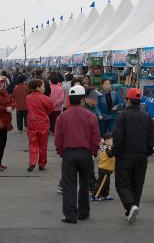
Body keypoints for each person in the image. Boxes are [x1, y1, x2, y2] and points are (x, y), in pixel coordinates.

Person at [54, 85, 100, 224]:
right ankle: (83, 212)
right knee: (85, 184)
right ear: (82, 99)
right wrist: (92, 151)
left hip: (68, 154)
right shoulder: (90, 115)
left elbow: (58, 138)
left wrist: (61, 152)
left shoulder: (62, 116)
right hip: (85, 153)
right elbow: (95, 137)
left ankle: (70, 215)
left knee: (69, 185)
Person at [112, 88, 154, 224]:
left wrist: (116, 152)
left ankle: (130, 206)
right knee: (137, 184)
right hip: (142, 156)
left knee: (122, 184)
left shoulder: (123, 116)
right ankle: (131, 209)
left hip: (125, 155)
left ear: (128, 100)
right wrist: (148, 151)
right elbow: (152, 137)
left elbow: (118, 136)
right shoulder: (147, 116)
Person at [26, 79, 53, 171]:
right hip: (43, 124)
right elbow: (50, 110)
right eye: (43, 86)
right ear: (38, 87)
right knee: (43, 145)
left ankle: (32, 162)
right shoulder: (45, 98)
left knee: (33, 144)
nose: (44, 88)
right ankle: (42, 163)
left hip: (31, 124)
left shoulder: (28, 98)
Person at [92, 132, 115, 201]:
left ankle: (105, 195)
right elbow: (110, 154)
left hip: (107, 168)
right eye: (112, 141)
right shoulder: (106, 147)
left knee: (106, 183)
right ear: (107, 141)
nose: (113, 142)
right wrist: (115, 148)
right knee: (101, 183)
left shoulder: (106, 146)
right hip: (104, 168)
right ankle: (95, 195)